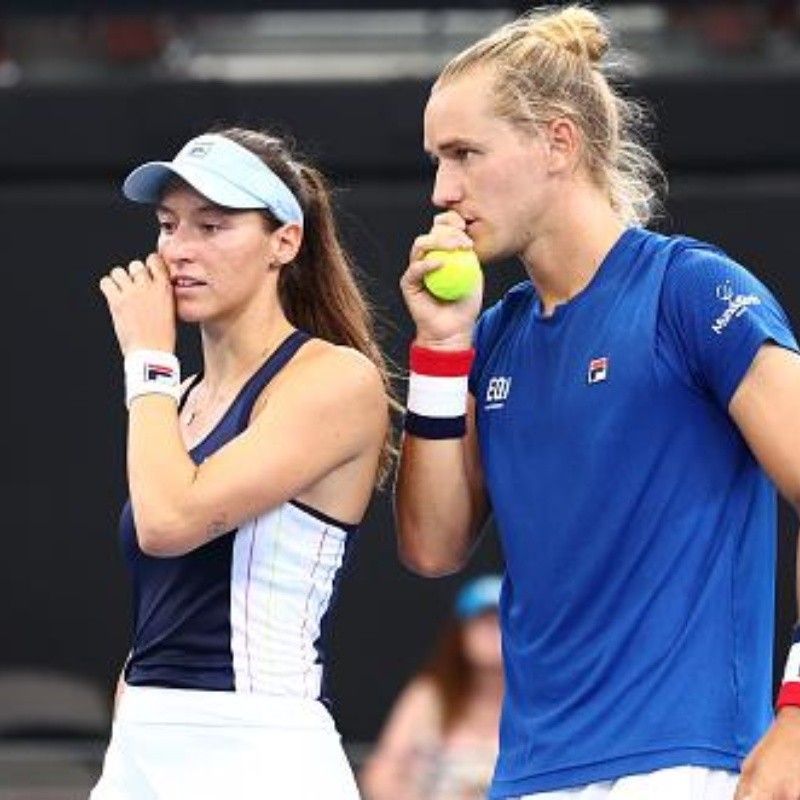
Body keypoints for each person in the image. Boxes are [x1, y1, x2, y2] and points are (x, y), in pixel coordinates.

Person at [394, 5, 800, 800]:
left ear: (558, 143)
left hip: (687, 767)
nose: (443, 191)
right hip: (529, 775)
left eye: (465, 154)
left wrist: (798, 708)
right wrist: (442, 348)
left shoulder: (691, 290)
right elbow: (433, 547)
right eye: (436, 160)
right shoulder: (494, 337)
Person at [90, 126, 393, 799]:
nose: (178, 251)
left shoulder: (335, 380)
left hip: (257, 751)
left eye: (212, 226)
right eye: (168, 225)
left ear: (285, 241)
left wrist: (146, 361)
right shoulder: (181, 397)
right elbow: (162, 610)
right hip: (144, 741)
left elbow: (168, 524)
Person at [360, 574, 504, 800]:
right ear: (459, 633)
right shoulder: (426, 697)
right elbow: (379, 777)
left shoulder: (538, 705)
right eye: (481, 620)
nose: (492, 631)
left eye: (502, 621)